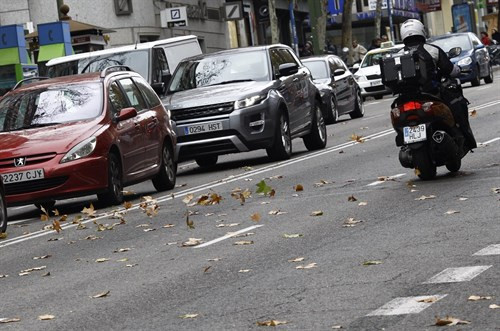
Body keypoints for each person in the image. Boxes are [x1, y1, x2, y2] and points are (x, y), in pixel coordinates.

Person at [399, 19, 476, 149]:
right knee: (458, 103)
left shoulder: (398, 55)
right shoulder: (432, 50)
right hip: (432, 93)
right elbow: (450, 70)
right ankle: (465, 138)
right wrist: (459, 70)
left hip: (405, 97)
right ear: (421, 31)